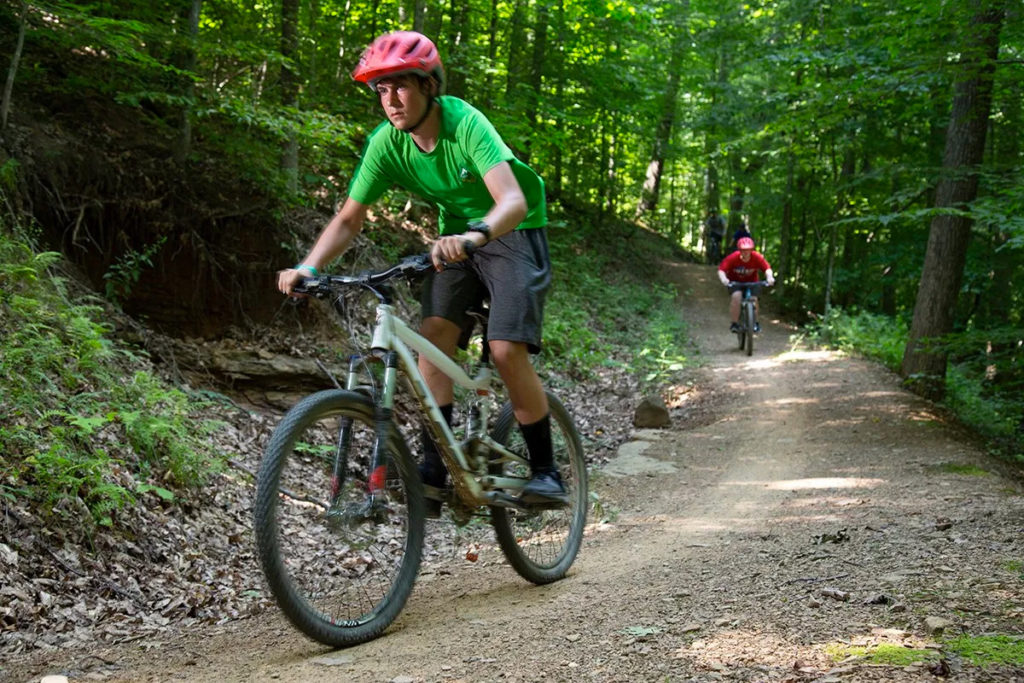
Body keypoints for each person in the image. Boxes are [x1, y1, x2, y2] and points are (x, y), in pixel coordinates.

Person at [276, 31, 566, 516]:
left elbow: (512, 200)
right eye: (380, 91)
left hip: (513, 229)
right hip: (457, 238)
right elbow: (350, 218)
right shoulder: (387, 144)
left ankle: (546, 471)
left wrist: (475, 237)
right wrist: (309, 267)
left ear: (429, 85)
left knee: (504, 347)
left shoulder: (465, 123)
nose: (390, 100)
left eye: (401, 87)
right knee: (431, 340)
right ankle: (437, 470)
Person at [717, 236, 775, 333]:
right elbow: (721, 270)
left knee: (754, 299)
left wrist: (769, 277)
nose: (746, 252)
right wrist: (724, 279)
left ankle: (755, 323)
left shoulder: (756, 257)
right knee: (736, 297)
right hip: (735, 282)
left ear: (752, 250)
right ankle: (734, 323)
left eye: (748, 250)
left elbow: (767, 268)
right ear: (739, 250)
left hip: (753, 282)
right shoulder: (733, 257)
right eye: (743, 250)